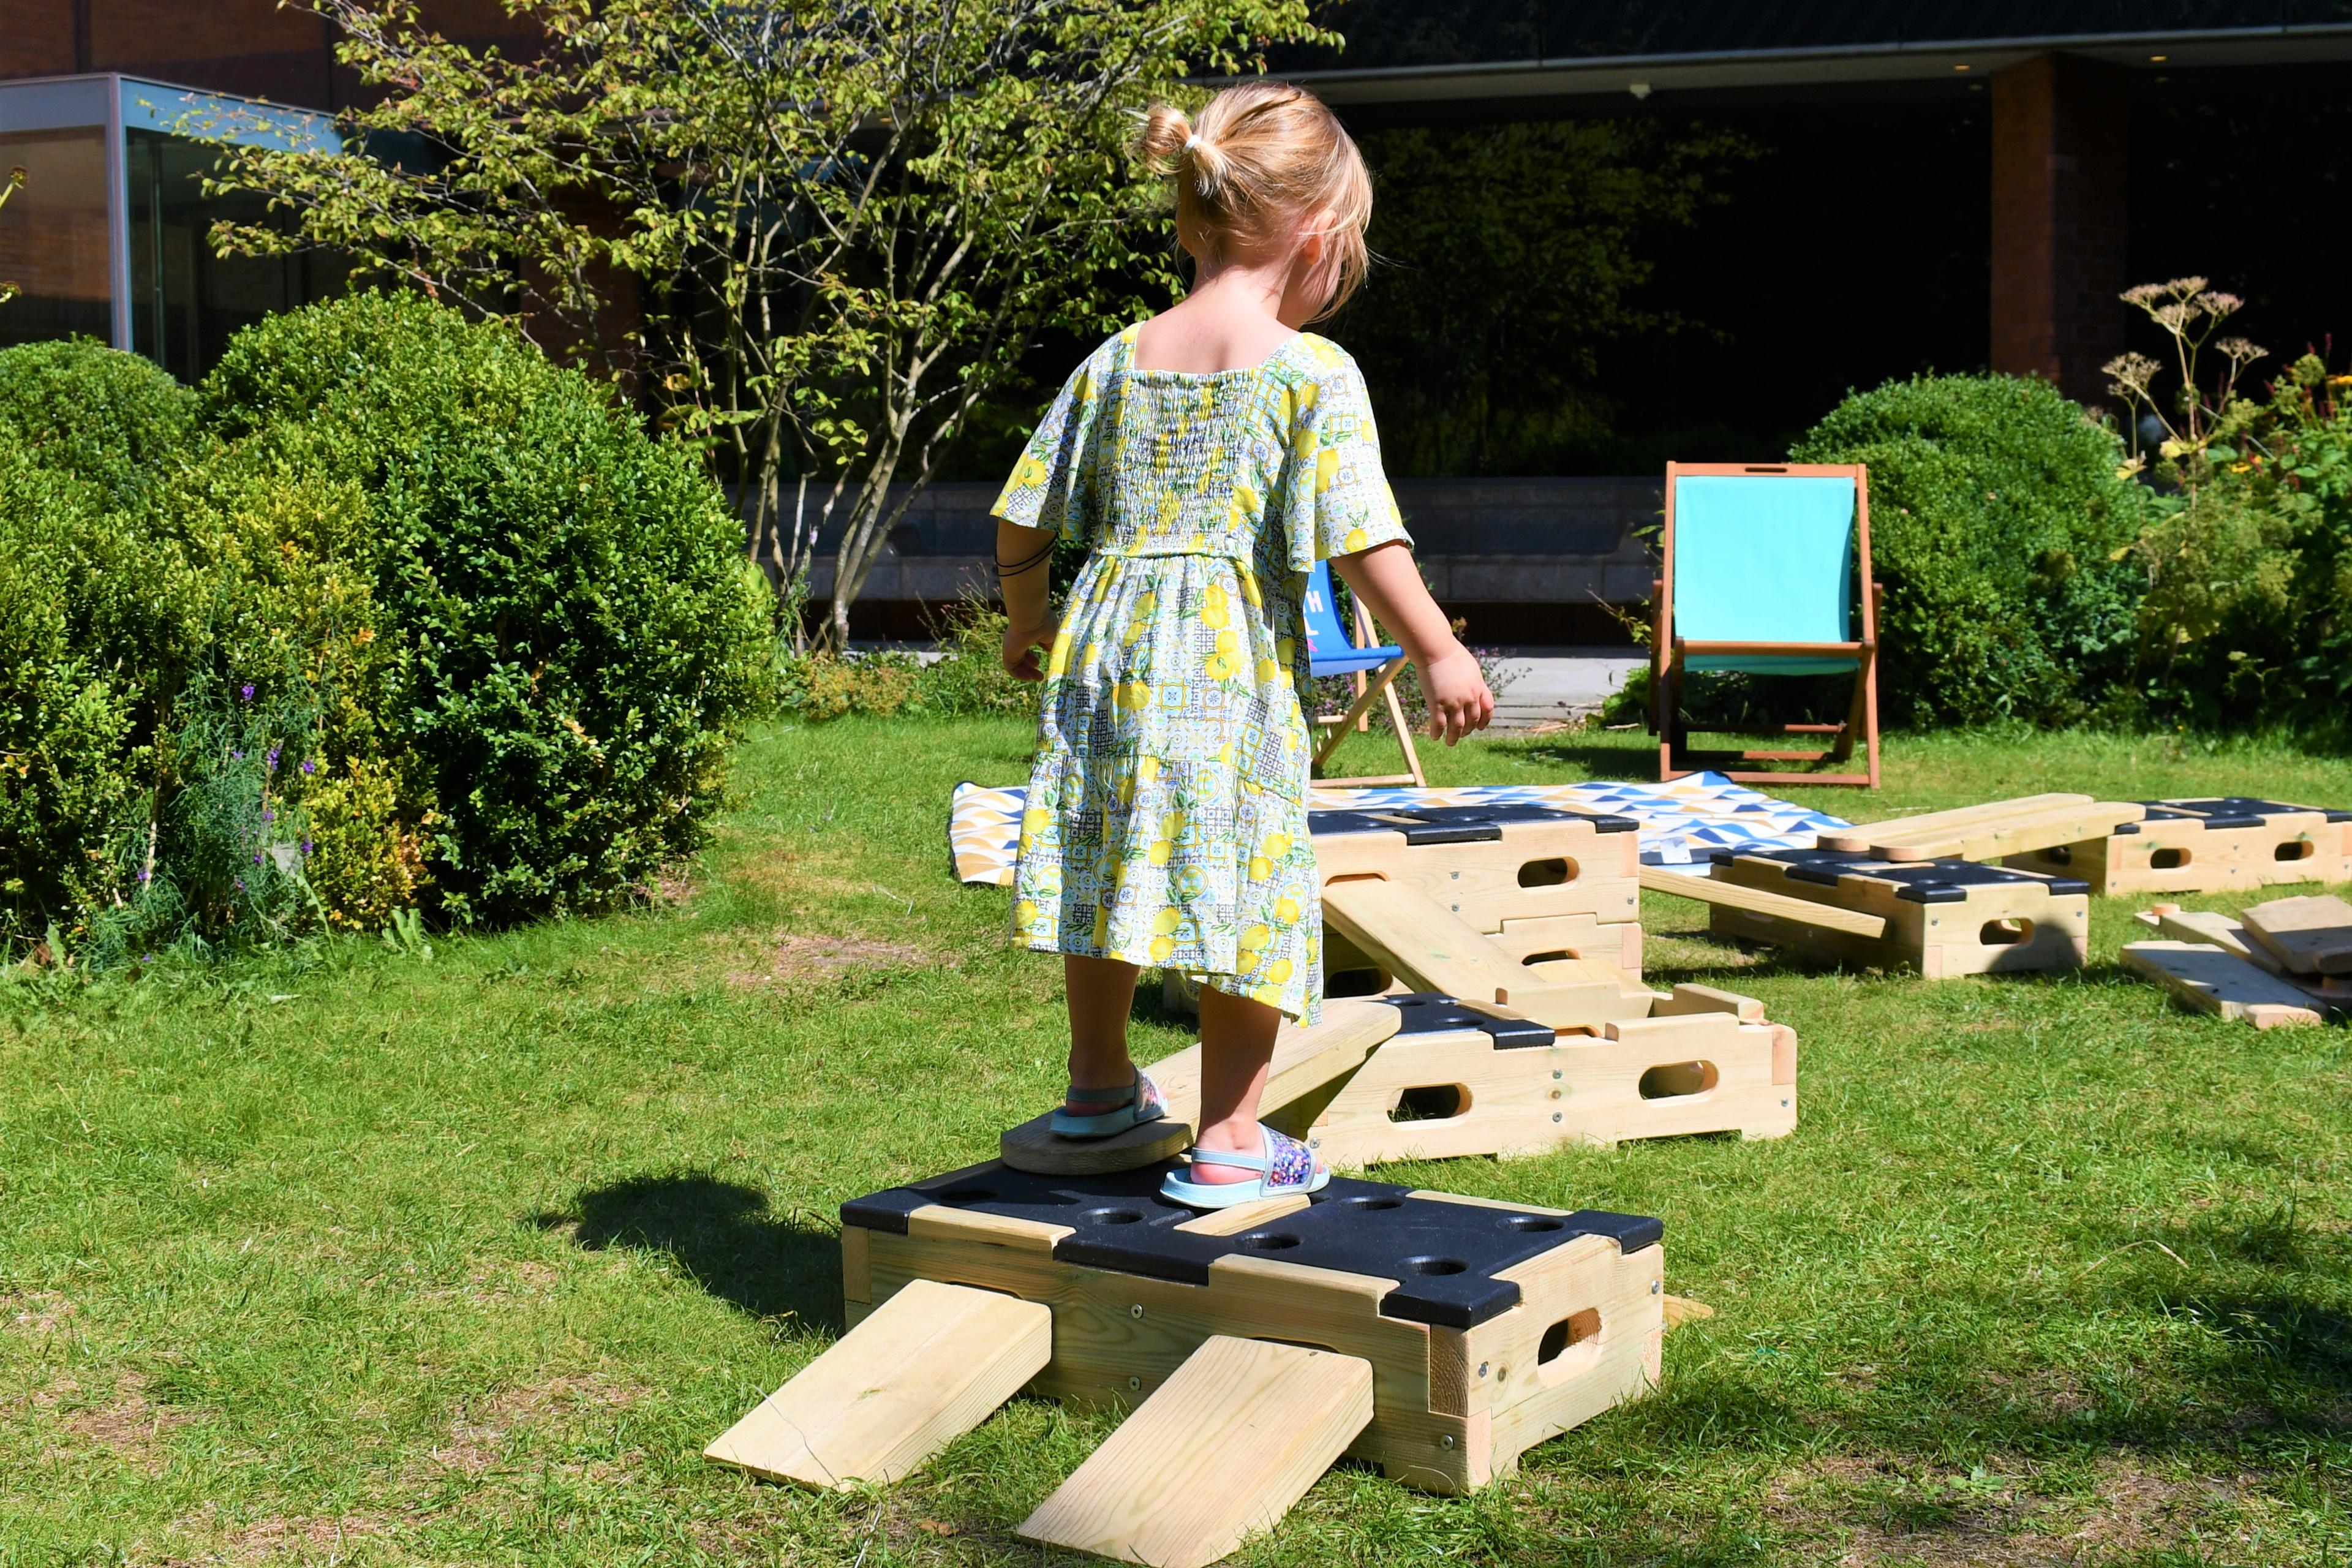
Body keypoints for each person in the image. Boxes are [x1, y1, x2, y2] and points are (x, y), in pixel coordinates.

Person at [992, 81, 1493, 1210]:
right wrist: (1438, 650)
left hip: (1104, 652)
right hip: (1226, 662)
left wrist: (1027, 622)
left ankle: (1098, 1089)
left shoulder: (1114, 360)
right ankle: (1228, 1139)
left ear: (1194, 216)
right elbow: (1363, 537)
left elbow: (1024, 516)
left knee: (1107, 853)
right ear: (1321, 232)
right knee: (1244, 881)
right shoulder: (1312, 372)